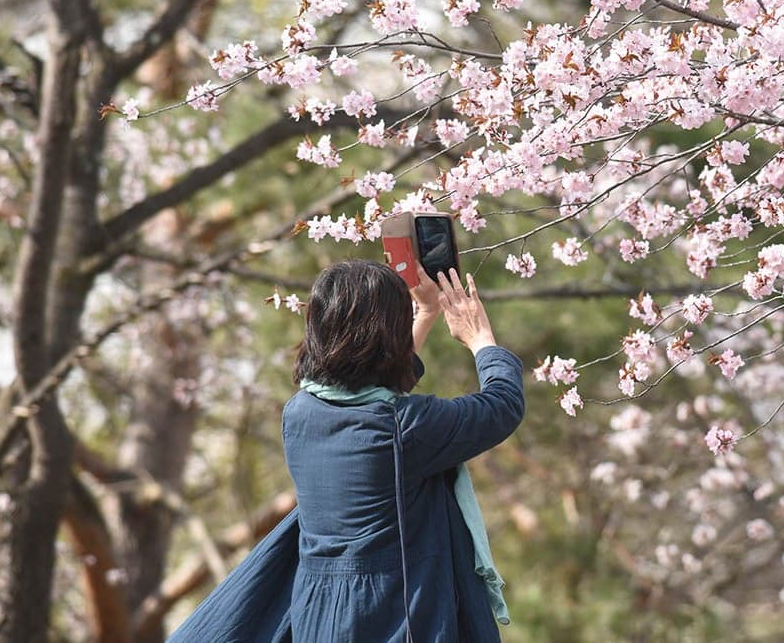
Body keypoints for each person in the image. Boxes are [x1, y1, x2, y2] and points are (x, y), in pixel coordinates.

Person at [166, 259, 525, 643]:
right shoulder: (404, 429)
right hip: (391, 617)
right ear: (386, 337)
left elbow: (370, 394)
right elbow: (501, 406)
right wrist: (480, 338)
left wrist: (426, 312)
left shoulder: (301, 415)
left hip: (317, 614)